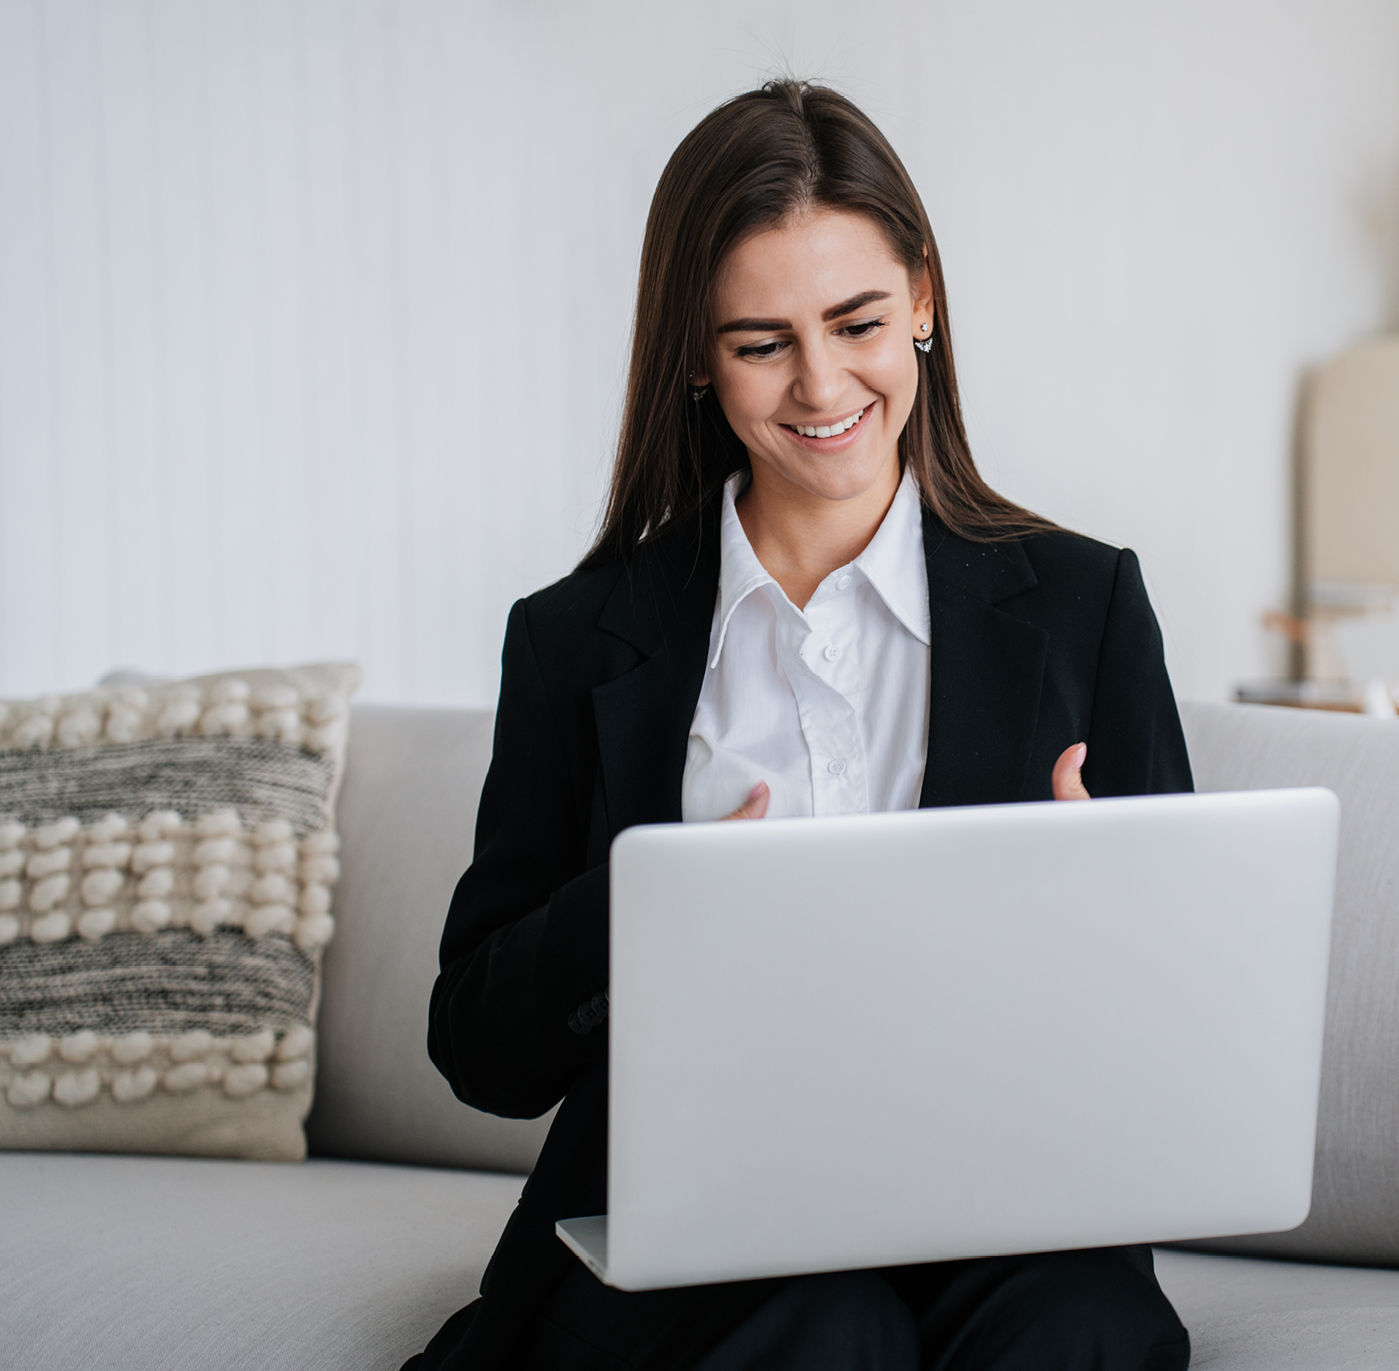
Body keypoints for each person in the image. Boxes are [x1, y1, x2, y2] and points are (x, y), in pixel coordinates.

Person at [406, 80, 1194, 1371]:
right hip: (692, 1242)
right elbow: (479, 1049)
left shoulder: (1083, 607)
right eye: (761, 342)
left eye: (858, 322)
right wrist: (642, 892)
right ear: (696, 361)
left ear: (923, 302)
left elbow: (1185, 1033)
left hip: (1004, 1226)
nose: (821, 385)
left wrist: (1105, 918)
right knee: (823, 1331)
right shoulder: (575, 638)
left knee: (1087, 1334)